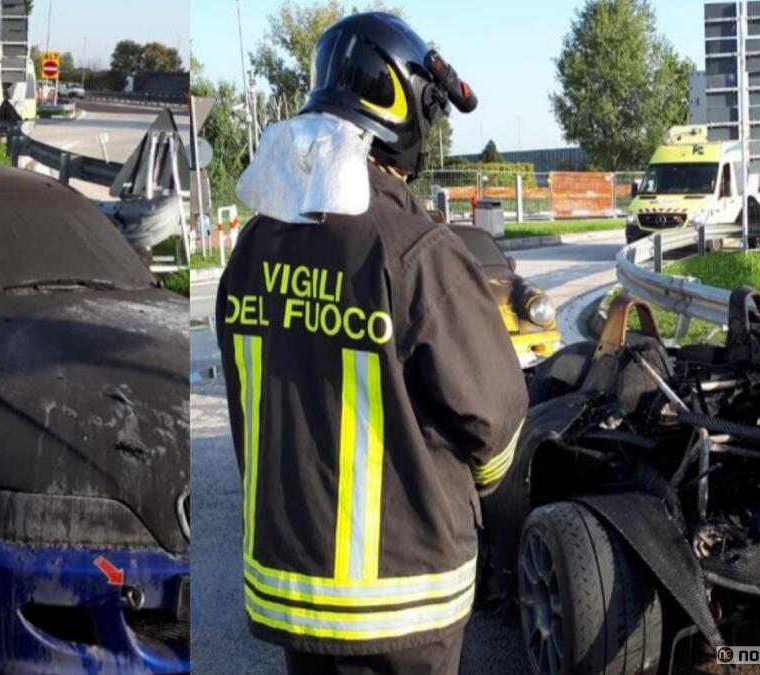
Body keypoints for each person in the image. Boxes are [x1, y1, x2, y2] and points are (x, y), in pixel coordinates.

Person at [215, 12, 528, 675]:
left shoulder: (252, 246)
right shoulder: (416, 253)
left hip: (295, 594)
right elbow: (495, 422)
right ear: (407, 111)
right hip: (405, 605)